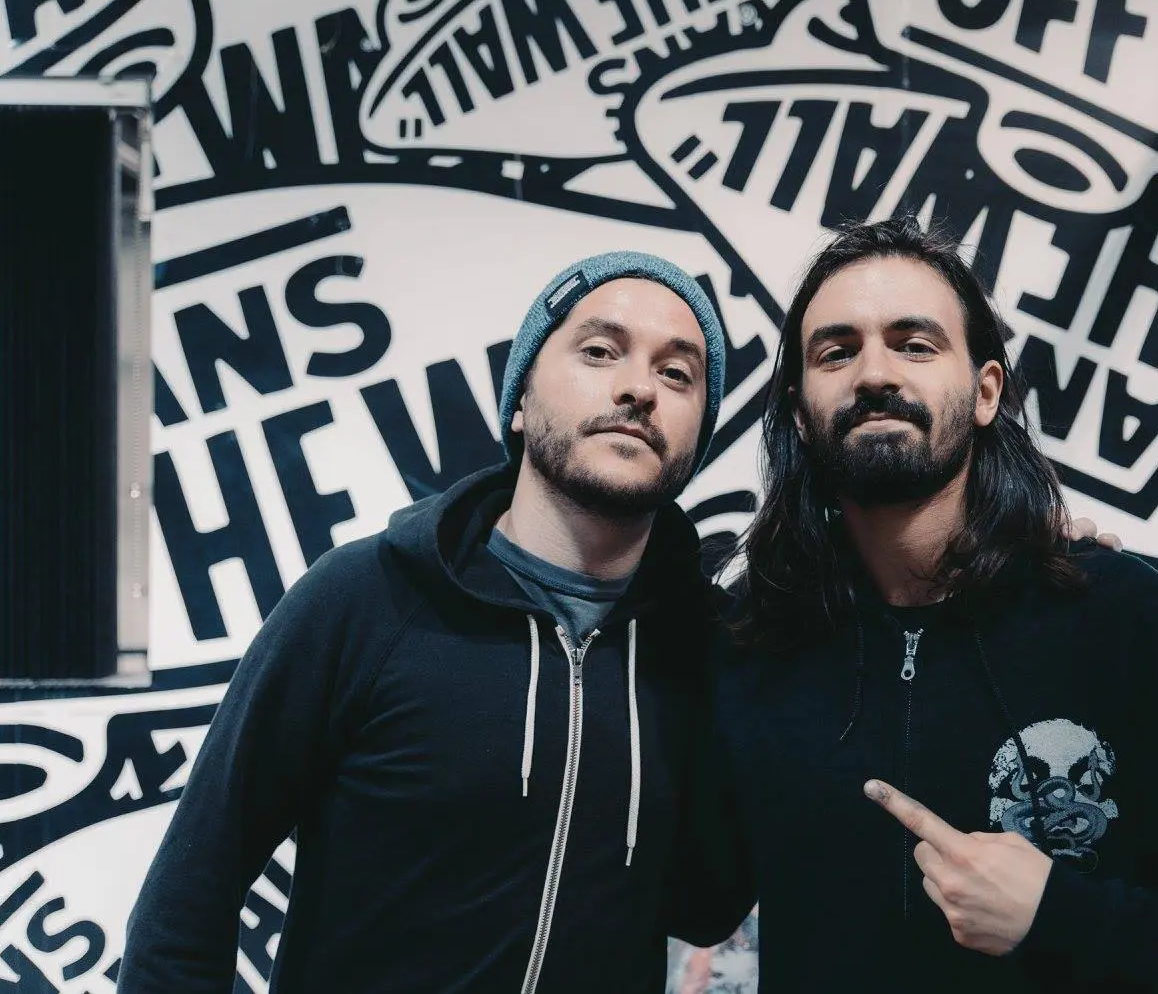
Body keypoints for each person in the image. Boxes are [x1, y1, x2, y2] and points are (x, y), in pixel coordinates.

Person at [712, 217, 1158, 992]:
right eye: (836, 352)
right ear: (800, 414)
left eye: (915, 344)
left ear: (985, 393)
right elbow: (688, 898)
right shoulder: (753, 642)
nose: (874, 373)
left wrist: (1059, 916)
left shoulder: (1121, 617)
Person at [116, 251, 752, 993]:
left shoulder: (707, 651)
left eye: (676, 373)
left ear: (697, 434)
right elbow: (187, 904)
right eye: (599, 351)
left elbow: (705, 907)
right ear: (520, 400)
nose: (639, 388)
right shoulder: (367, 598)